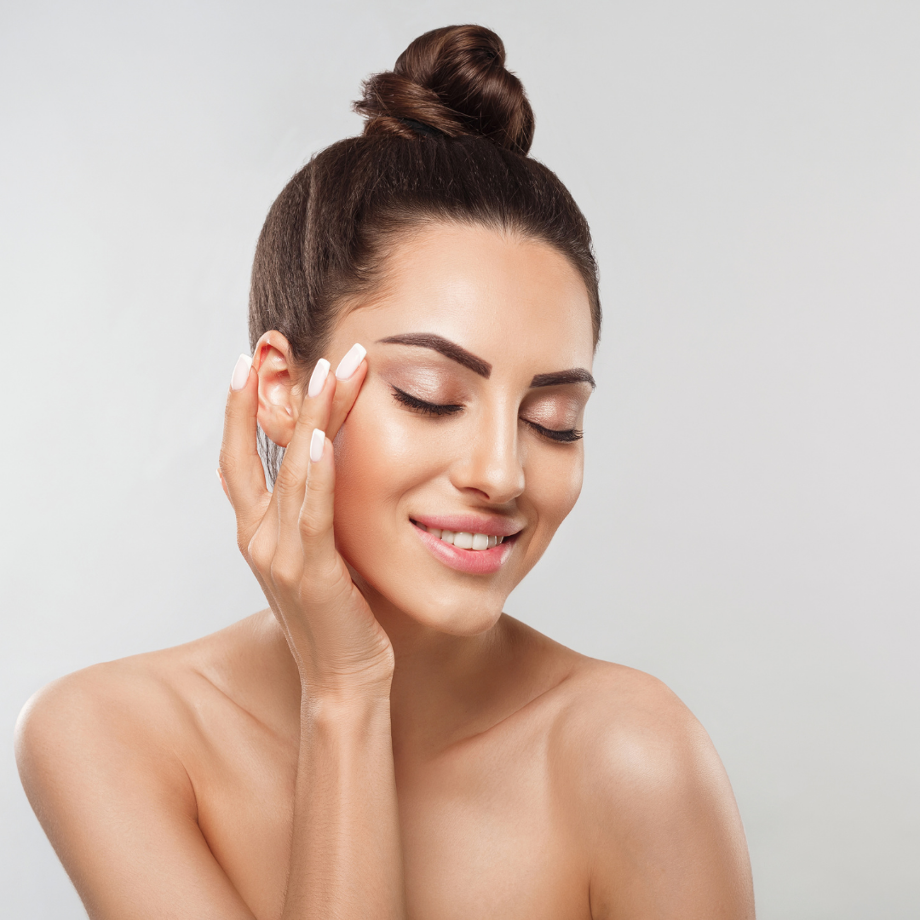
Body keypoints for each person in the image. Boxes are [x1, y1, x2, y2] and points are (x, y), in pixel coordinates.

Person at [15, 24, 756, 920]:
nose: (502, 473)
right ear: (283, 390)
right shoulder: (112, 735)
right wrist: (345, 693)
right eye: (432, 396)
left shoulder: (634, 758)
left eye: (553, 420)